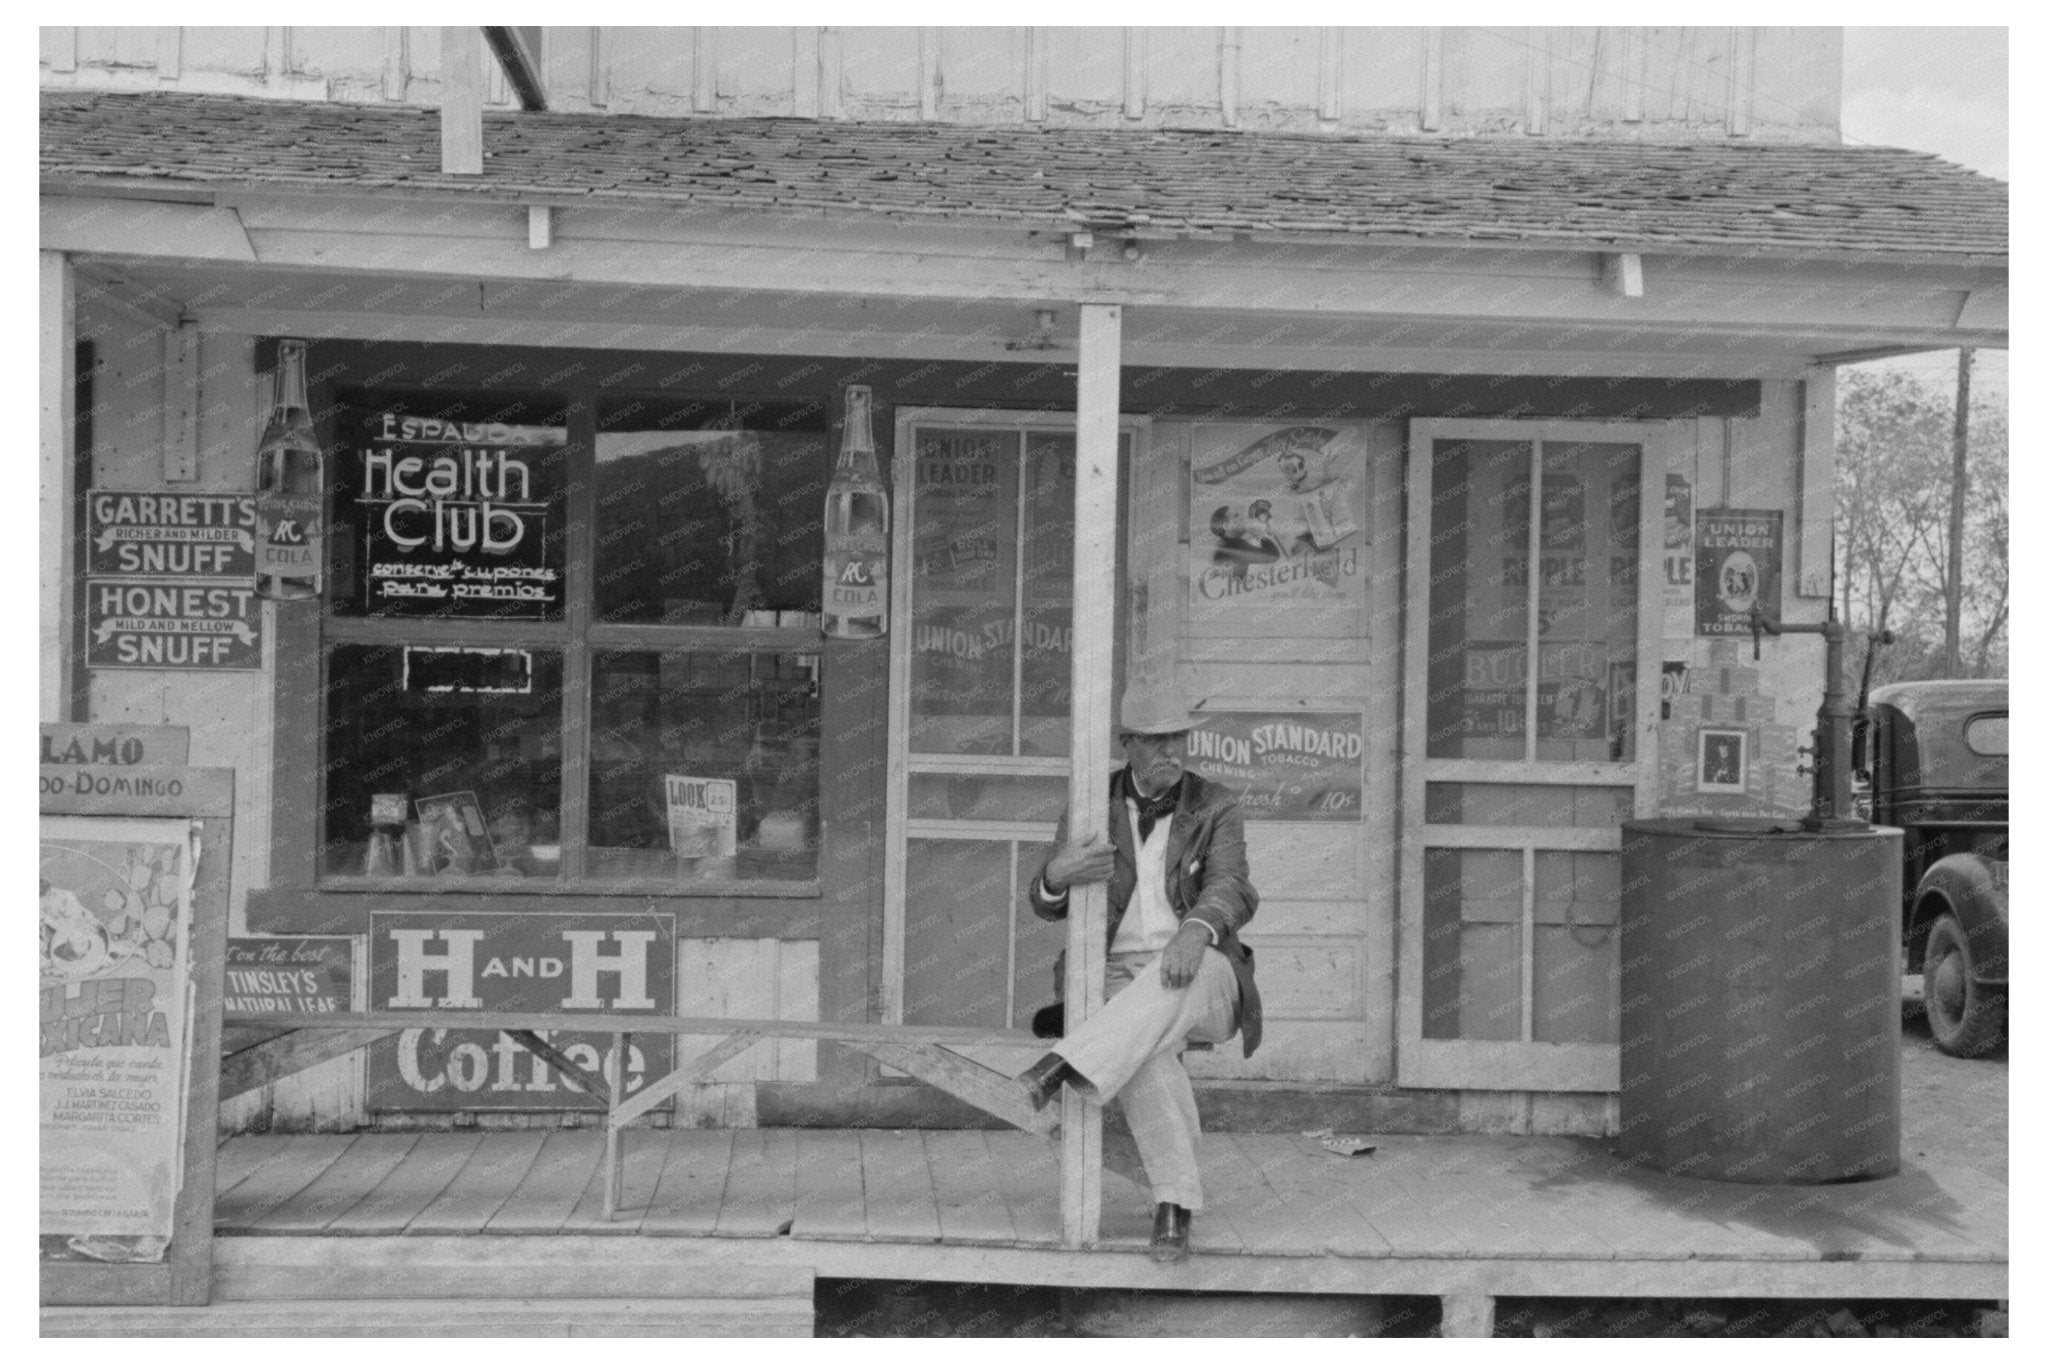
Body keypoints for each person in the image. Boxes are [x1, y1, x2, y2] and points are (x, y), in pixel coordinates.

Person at [1015, 683, 1262, 1264]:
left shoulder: (1217, 804)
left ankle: (1068, 1061)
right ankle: (1174, 1206)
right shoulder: (1090, 803)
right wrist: (1056, 872)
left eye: (1178, 737)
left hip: (1205, 969)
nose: (1170, 751)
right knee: (1145, 1046)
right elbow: (1046, 903)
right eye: (1154, 741)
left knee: (1150, 1005)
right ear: (1128, 744)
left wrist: (1196, 930)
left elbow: (1235, 888)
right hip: (1117, 975)